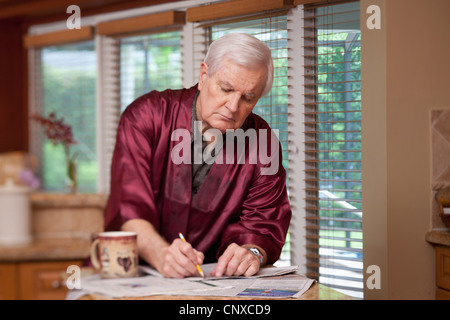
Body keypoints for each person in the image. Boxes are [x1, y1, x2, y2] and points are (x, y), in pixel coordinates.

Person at [104, 33, 291, 279]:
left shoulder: (263, 143)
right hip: (135, 274)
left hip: (215, 284)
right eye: (226, 88)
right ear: (204, 76)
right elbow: (128, 207)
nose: (233, 106)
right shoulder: (146, 117)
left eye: (248, 98)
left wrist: (251, 252)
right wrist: (162, 255)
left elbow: (263, 225)